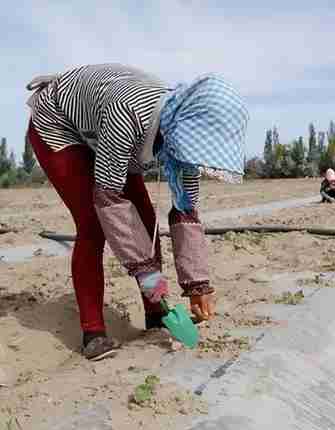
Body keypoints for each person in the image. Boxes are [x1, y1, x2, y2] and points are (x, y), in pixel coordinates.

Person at [25, 64, 249, 360]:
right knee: (93, 223)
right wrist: (147, 273)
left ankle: (157, 314)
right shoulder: (127, 112)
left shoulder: (180, 130)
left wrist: (197, 284)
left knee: (146, 220)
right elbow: (108, 197)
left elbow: (186, 210)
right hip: (58, 124)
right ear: (183, 127)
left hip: (105, 129)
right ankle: (93, 333)